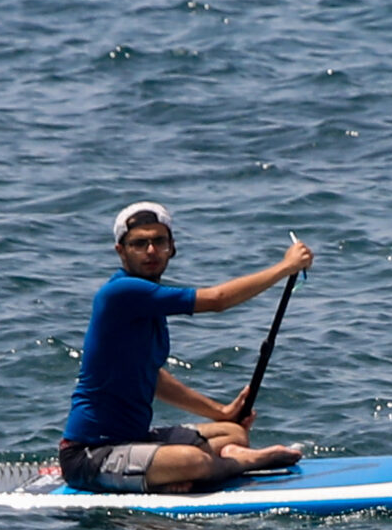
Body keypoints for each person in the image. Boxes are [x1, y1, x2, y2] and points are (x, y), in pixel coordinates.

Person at [58, 202, 312, 493]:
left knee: (234, 433)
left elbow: (153, 376)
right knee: (193, 460)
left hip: (136, 439)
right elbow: (217, 299)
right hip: (89, 454)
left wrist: (223, 412)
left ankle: (183, 471)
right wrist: (286, 267)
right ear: (121, 251)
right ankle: (238, 464)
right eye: (139, 243)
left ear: (172, 247)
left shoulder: (149, 304)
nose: (151, 251)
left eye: (159, 241)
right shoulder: (121, 293)